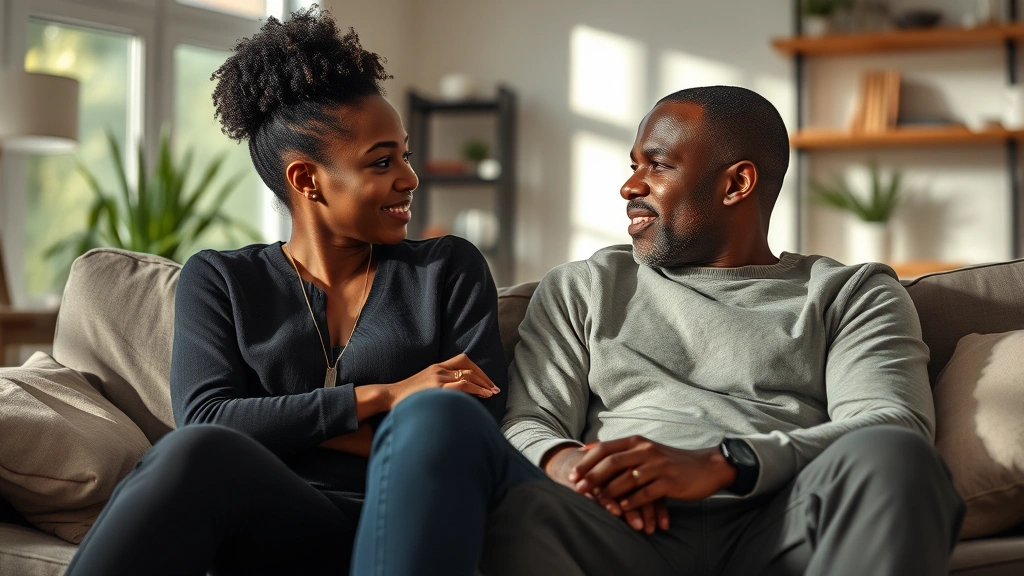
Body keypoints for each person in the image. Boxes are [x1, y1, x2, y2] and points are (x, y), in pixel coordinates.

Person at [349, 86, 965, 576]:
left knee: (896, 457)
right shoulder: (585, 285)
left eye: (657, 165)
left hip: (779, 521)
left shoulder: (849, 292)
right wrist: (570, 464)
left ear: (736, 183)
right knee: (440, 421)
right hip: (606, 528)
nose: (629, 186)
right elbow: (528, 420)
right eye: (632, 165)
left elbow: (890, 422)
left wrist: (727, 464)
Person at [65, 7, 505, 576]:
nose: (409, 178)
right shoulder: (222, 279)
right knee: (195, 452)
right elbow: (208, 421)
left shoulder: (448, 269)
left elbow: (474, 432)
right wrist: (387, 396)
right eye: (382, 161)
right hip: (273, 521)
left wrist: (277, 429)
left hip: (403, 516)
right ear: (306, 180)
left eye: (405, 156)